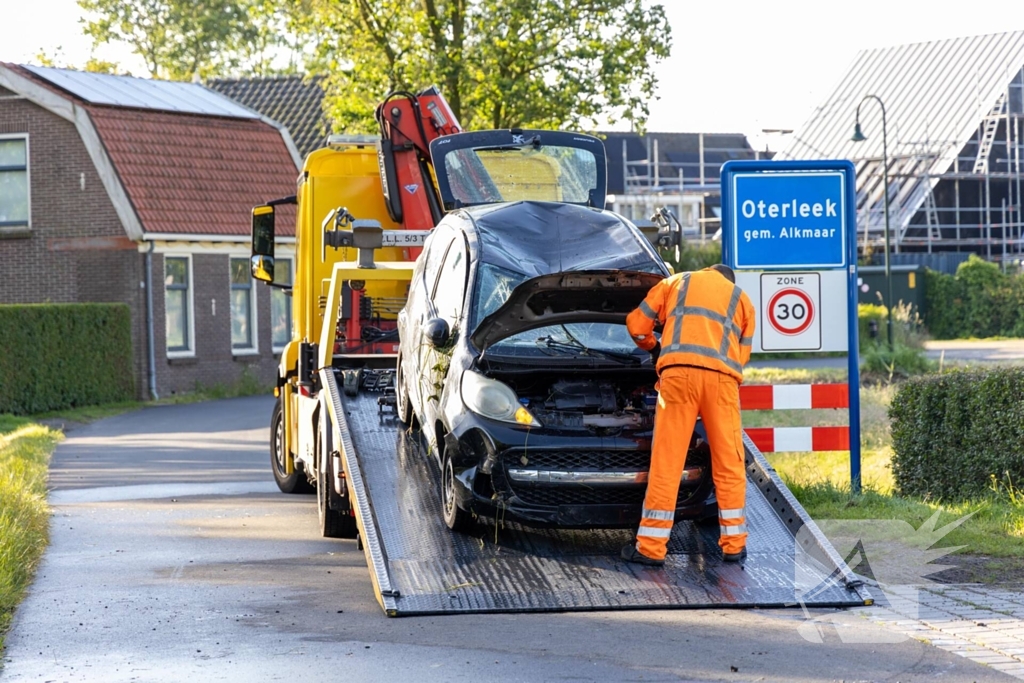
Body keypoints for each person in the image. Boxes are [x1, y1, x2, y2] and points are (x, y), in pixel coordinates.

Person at [620, 264, 756, 567]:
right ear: (728, 279)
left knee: (668, 462)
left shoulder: (675, 283)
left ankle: (651, 548)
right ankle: (734, 545)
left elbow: (636, 325)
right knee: (729, 463)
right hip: (722, 383)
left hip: (678, 377)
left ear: (707, 270)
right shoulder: (742, 300)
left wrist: (654, 346)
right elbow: (742, 356)